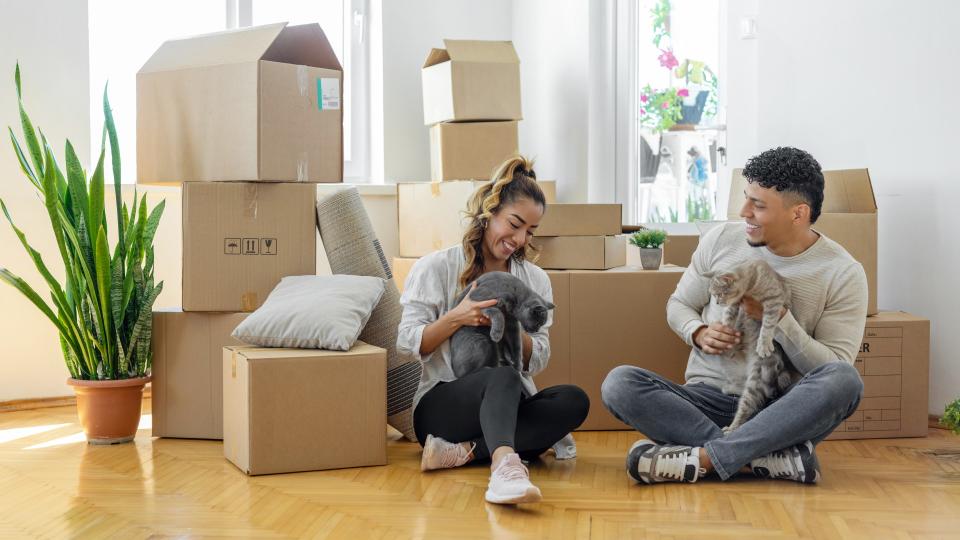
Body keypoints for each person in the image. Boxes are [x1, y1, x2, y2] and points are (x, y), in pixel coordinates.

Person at [602, 147, 867, 485]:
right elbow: (679, 304)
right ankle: (761, 459)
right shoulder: (722, 239)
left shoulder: (842, 272)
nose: (744, 212)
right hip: (706, 399)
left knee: (845, 381)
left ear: (798, 213)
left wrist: (779, 317)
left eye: (758, 205)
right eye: (746, 199)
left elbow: (831, 366)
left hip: (782, 409)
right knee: (619, 383)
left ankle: (705, 459)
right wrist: (697, 331)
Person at [397, 155, 590, 505]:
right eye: (514, 224)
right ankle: (504, 467)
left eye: (529, 231)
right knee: (502, 376)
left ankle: (465, 452)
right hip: (443, 405)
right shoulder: (435, 267)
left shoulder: (534, 280)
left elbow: (541, 356)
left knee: (574, 401)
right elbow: (408, 343)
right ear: (490, 212)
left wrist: (515, 325)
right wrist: (458, 317)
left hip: (507, 403)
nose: (518, 239)